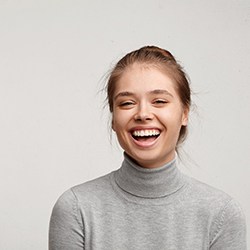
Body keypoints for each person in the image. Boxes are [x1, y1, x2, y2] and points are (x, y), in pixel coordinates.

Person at [49, 46, 247, 249]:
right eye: (127, 103)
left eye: (159, 101)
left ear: (184, 113)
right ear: (113, 119)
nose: (143, 114)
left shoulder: (221, 214)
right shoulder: (76, 208)